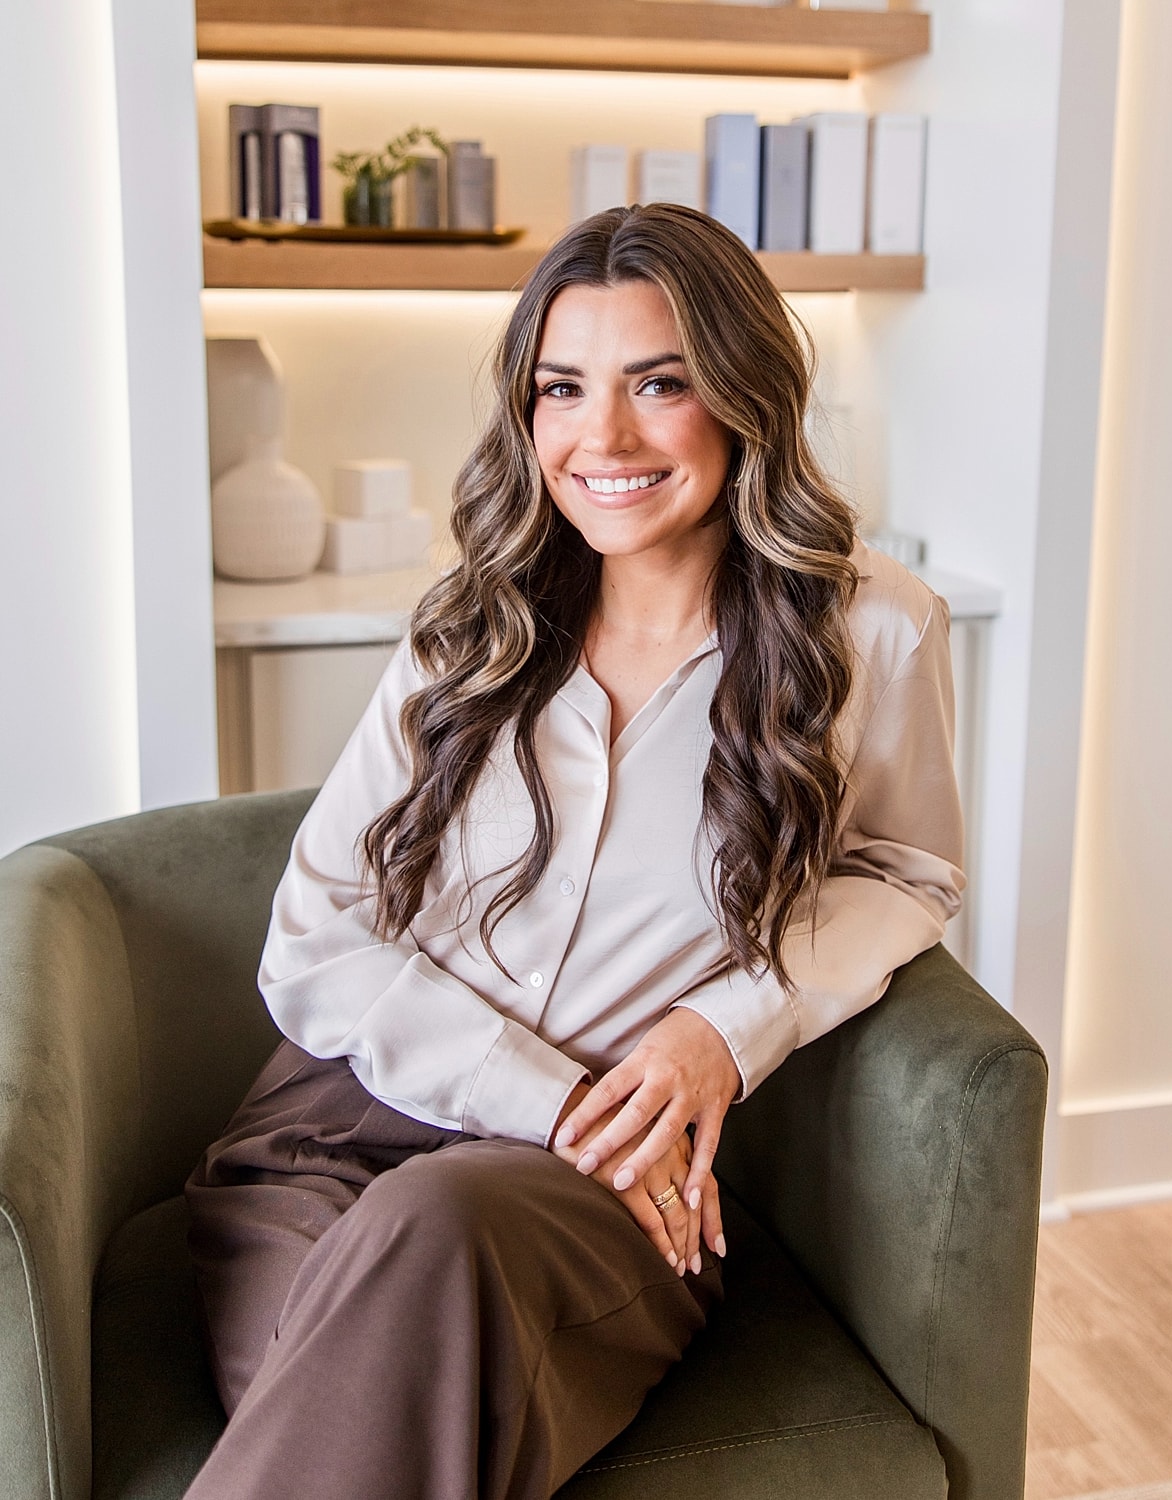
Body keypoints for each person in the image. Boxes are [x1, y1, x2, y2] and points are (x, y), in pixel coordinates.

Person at [182, 202, 965, 1500]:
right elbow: (314, 937)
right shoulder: (468, 626)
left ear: (744, 394)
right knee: (359, 1392)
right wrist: (537, 1095)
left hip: (599, 1182)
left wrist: (726, 1024)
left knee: (414, 1286)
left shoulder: (873, 631)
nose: (600, 438)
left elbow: (903, 868)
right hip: (332, 1130)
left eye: (659, 384)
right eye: (562, 388)